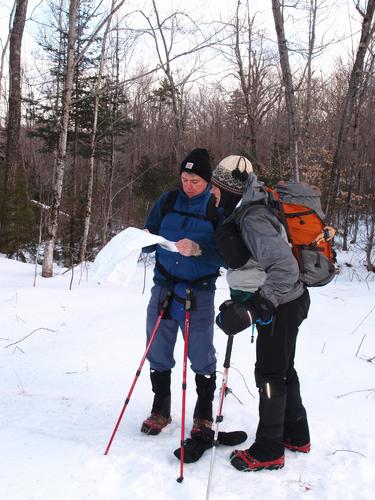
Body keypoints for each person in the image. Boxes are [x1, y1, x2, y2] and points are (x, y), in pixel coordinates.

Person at [210, 155, 311, 471]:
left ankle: (269, 450)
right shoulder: (246, 210)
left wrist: (254, 309)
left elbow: (285, 268)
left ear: (230, 190)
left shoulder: (253, 218)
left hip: (281, 305)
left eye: (216, 188)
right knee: (283, 370)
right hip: (289, 302)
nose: (212, 193)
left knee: (269, 376)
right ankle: (296, 435)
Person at [141, 148, 224, 437]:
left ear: (208, 181)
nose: (188, 186)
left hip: (198, 292)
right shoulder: (168, 201)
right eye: (185, 179)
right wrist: (144, 242)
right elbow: (148, 236)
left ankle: (203, 415)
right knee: (158, 349)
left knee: (201, 354)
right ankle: (160, 409)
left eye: (195, 181)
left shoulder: (217, 208)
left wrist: (199, 250)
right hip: (164, 286)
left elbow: (228, 256)